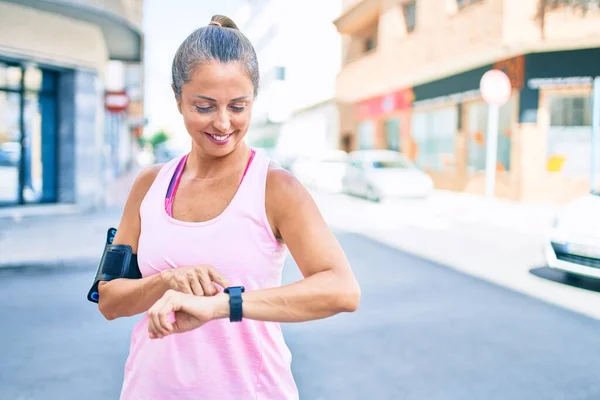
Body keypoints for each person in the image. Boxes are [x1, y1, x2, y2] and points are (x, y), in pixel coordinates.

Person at [97, 15, 361, 400]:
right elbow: (109, 300)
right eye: (204, 106)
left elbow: (342, 290)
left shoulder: (276, 188)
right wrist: (166, 281)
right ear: (178, 100)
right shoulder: (149, 185)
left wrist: (224, 305)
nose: (223, 123)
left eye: (238, 106)